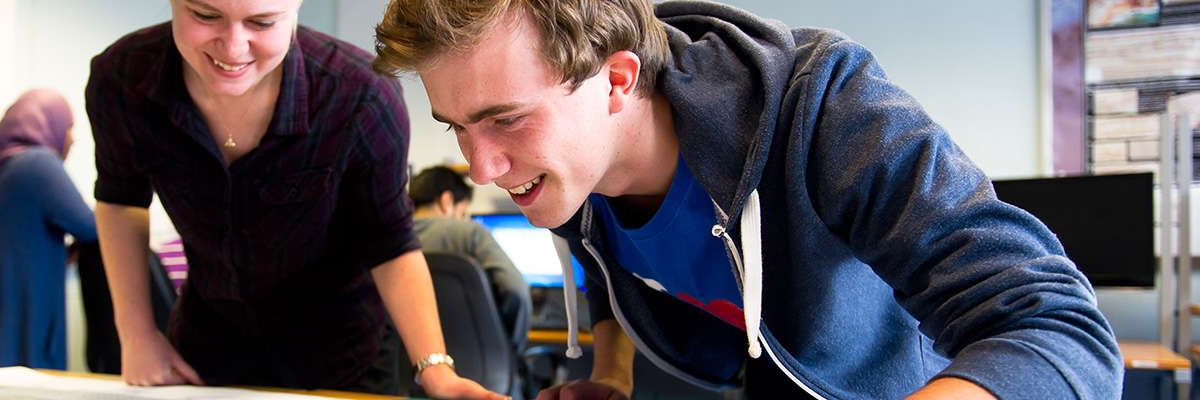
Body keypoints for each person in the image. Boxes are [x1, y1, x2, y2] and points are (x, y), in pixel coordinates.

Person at [372, 1, 1123, 399]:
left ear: (619, 80)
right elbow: (604, 268)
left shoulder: (826, 106)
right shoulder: (568, 174)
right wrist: (613, 377)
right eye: (457, 127)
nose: (480, 167)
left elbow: (1059, 328)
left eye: (505, 119)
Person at [84, 1, 502, 398]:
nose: (232, 47)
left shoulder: (360, 97)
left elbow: (391, 243)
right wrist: (136, 333)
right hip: (208, 348)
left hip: (343, 356)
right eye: (205, 14)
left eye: (262, 22)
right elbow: (121, 199)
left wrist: (436, 369)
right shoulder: (121, 78)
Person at [0, 88, 98, 371]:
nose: (72, 138)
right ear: (48, 123)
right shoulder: (40, 164)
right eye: (69, 127)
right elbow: (91, 226)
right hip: (23, 304)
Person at [409, 165, 532, 354]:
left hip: (409, 366)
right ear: (447, 201)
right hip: (479, 367)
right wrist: (510, 348)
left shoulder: (388, 239)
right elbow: (516, 291)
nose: (462, 218)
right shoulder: (470, 234)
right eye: (462, 211)